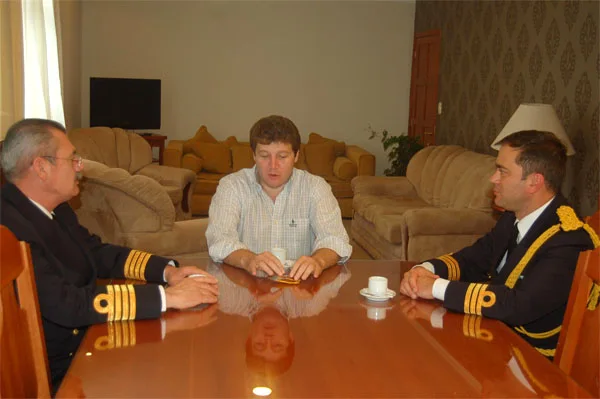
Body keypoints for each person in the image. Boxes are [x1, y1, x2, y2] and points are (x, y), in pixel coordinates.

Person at [0, 118, 220, 392]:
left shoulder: (54, 208)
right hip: (61, 370)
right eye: (72, 159)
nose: (80, 166)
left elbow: (98, 252)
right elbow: (67, 305)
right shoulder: (9, 229)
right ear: (42, 168)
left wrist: (167, 271)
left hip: (86, 340)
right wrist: (168, 297)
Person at [399, 130, 598, 358]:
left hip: (531, 360)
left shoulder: (568, 239)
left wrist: (434, 287)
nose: (493, 178)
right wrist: (424, 270)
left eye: (502, 171)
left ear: (534, 182)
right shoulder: (512, 217)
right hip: (496, 336)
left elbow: (519, 305)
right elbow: (474, 258)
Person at [206, 115, 352, 280]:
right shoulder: (231, 186)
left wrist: (317, 261)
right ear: (253, 155)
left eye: (282, 156)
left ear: (296, 156)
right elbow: (219, 239)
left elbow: (335, 239)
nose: (273, 165)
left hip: (301, 292)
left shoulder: (315, 188)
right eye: (264, 156)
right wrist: (248, 259)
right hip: (247, 288)